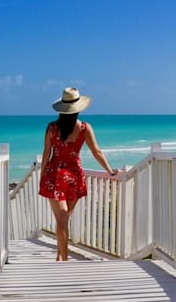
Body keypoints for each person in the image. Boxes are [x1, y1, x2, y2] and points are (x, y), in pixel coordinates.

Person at [38, 87, 118, 261]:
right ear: (78, 108)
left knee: (62, 219)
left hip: (55, 175)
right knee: (64, 218)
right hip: (74, 176)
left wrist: (43, 176)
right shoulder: (84, 128)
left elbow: (46, 154)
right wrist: (110, 171)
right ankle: (63, 259)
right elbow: (97, 151)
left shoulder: (52, 127)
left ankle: (61, 256)